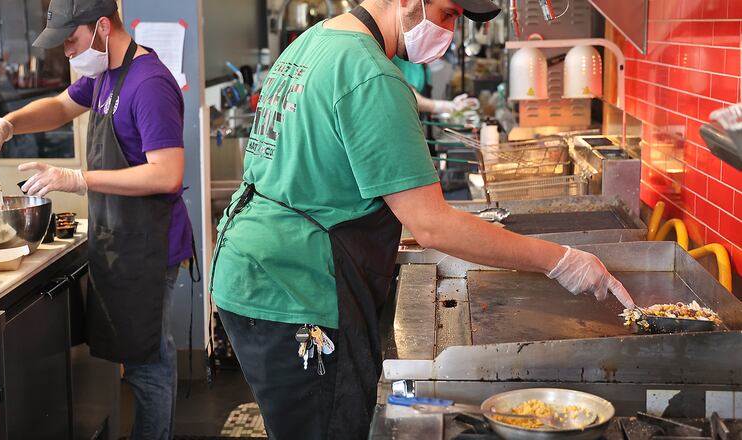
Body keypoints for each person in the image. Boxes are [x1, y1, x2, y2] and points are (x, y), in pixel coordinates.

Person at [209, 0, 636, 439]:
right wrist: (560, 260)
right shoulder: (371, 74)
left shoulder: (317, 42)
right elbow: (433, 224)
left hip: (250, 272)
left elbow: (315, 174)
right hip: (297, 289)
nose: (449, 30)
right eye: (449, 14)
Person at [0, 0, 192, 438]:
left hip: (150, 248)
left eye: (71, 41)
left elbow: (167, 174)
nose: (67, 53)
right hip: (120, 240)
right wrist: (9, 124)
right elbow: (59, 106)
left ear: (102, 27)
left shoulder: (148, 82)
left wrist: (77, 179)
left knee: (150, 368)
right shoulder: (104, 75)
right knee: (141, 362)